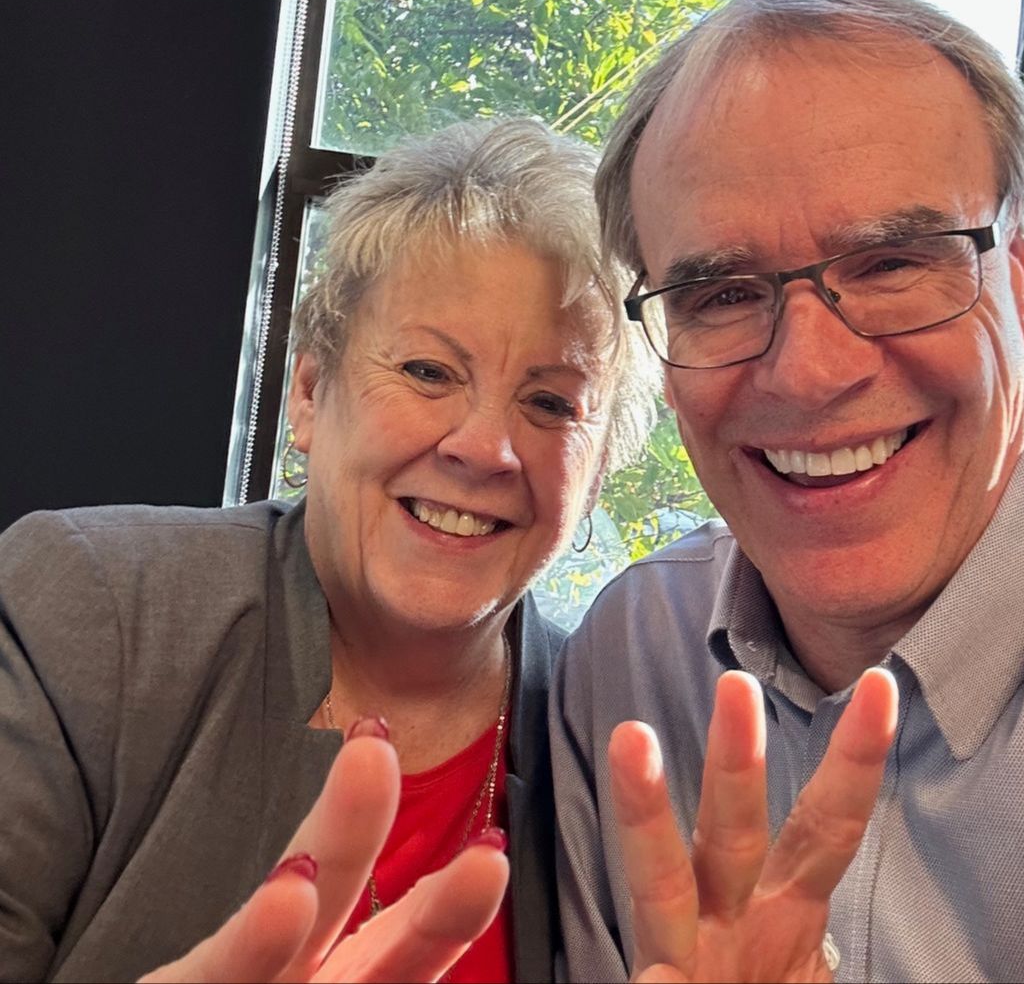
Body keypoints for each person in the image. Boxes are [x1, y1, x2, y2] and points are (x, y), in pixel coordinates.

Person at [551, 0, 1024, 983]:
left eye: (891, 264)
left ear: (1022, 280)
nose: (808, 373)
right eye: (721, 294)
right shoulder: (630, 660)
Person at [0, 117, 656, 982]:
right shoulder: (92, 612)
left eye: (551, 404)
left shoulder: (613, 738)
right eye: (428, 371)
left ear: (598, 471)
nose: (484, 448)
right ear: (310, 391)